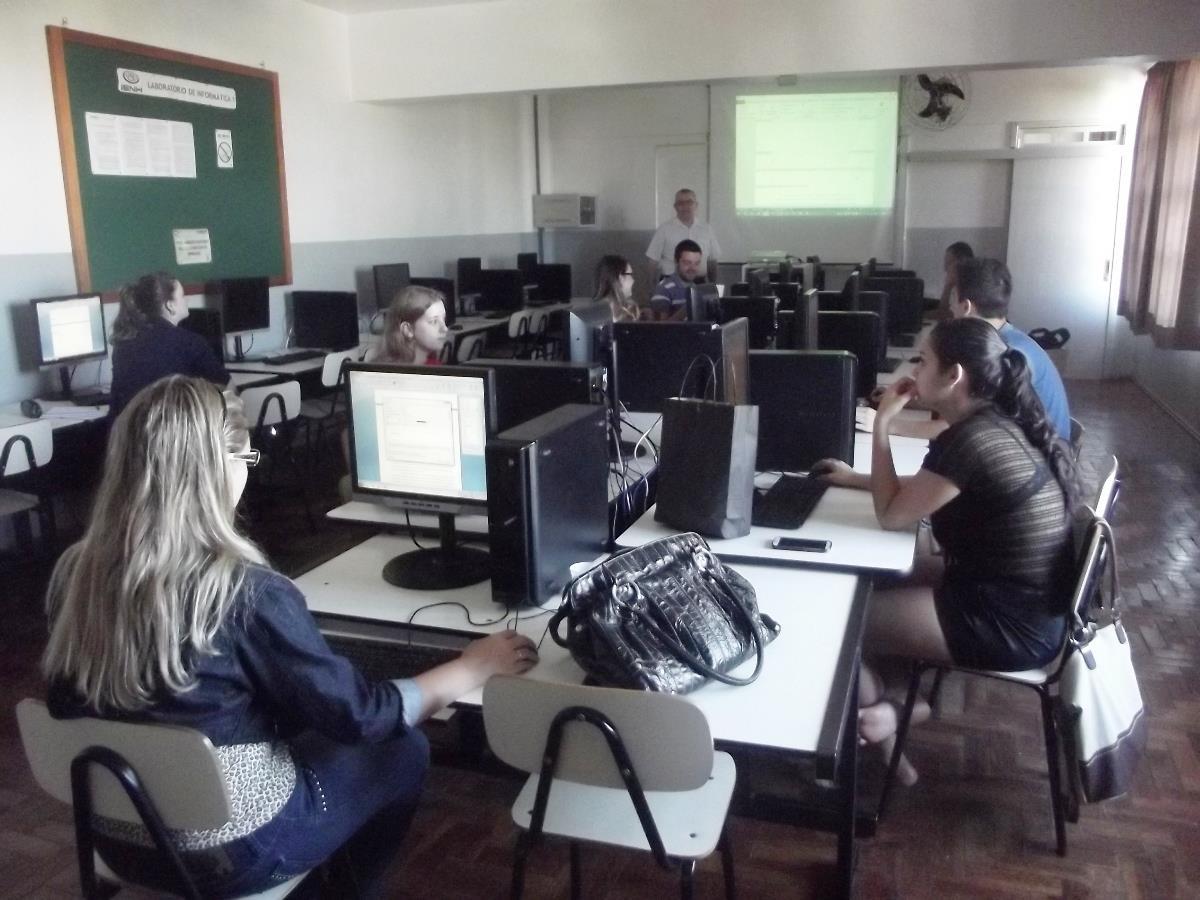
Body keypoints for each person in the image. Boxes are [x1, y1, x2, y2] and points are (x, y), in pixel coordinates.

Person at [42, 375, 537, 898]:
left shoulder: (75, 578)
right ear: (219, 469)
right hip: (233, 854)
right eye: (246, 463)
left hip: (118, 840)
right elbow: (359, 718)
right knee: (405, 748)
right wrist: (471, 667)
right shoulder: (245, 592)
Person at [814, 317, 1077, 785]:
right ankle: (896, 710)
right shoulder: (996, 421)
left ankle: (884, 724)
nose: (912, 371)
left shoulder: (969, 440)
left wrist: (882, 426)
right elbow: (932, 490)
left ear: (953, 376)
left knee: (840, 619)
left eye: (922, 360)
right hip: (1020, 599)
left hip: (1009, 622)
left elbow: (893, 515)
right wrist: (856, 479)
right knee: (883, 577)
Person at [870, 257, 1072, 443]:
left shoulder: (1000, 355)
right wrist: (906, 400)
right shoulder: (998, 340)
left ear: (965, 306)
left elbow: (963, 428)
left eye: (951, 297)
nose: (949, 308)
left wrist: (886, 424)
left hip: (1038, 460)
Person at [109, 271, 229, 418]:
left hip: (129, 437)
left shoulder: (122, 344)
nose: (187, 301)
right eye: (183, 296)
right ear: (170, 306)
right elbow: (229, 391)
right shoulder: (189, 342)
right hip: (174, 436)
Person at [645, 188, 721, 283]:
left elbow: (712, 261)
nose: (685, 206)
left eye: (689, 202)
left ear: (696, 205)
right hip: (670, 283)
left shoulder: (707, 229)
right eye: (681, 203)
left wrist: (713, 287)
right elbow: (652, 262)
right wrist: (652, 290)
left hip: (699, 283)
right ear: (675, 207)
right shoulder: (664, 229)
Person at [369, 284, 449, 365]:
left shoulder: (434, 365)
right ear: (408, 330)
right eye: (434, 321)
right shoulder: (390, 374)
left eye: (443, 319)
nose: (445, 329)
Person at [649, 239, 705, 321]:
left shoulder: (696, 288)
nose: (692, 268)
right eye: (687, 263)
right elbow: (659, 330)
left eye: (696, 263)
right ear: (676, 261)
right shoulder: (663, 289)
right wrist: (687, 309)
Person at [593, 254, 641, 322]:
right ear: (621, 278)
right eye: (630, 275)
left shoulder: (592, 313)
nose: (633, 280)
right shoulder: (629, 313)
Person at [937, 241, 974, 319]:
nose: (945, 268)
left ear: (961, 262)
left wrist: (947, 286)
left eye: (949, 263)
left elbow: (945, 315)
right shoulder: (956, 286)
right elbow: (943, 311)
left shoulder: (971, 286)